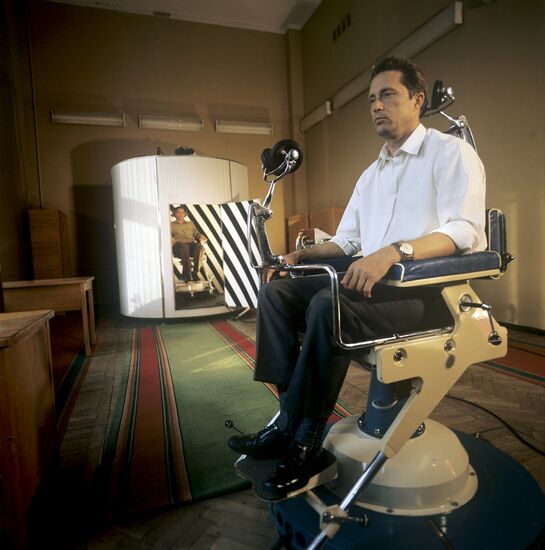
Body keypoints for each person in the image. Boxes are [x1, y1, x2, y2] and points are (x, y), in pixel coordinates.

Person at [228, 56, 486, 499]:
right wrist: (297, 254)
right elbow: (347, 242)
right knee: (277, 293)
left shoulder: (451, 153)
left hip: (424, 292)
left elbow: (465, 231)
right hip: (370, 285)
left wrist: (393, 252)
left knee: (326, 305)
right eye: (371, 99)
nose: (376, 106)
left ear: (417, 100)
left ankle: (306, 442)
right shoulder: (371, 175)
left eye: (387, 95)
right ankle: (287, 422)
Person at [171, 206, 206, 282]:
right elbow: (167, 235)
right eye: (178, 212)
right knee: (184, 247)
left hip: (190, 245)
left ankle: (195, 272)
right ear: (175, 214)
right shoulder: (171, 225)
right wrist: (171, 238)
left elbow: (196, 234)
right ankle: (186, 274)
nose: (181, 214)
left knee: (199, 246)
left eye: (182, 212)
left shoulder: (190, 224)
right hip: (178, 246)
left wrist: (201, 237)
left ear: (185, 214)